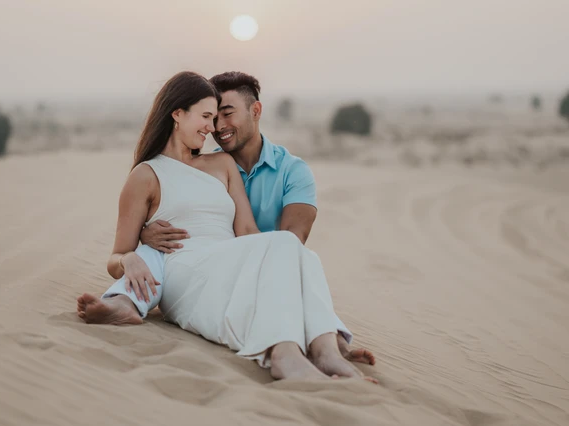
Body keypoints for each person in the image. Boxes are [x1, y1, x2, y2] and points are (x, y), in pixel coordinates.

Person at [77, 71, 377, 382]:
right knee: (286, 247)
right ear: (177, 114)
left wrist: (280, 267)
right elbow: (117, 256)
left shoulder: (222, 164)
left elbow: (248, 232)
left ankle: (325, 350)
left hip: (226, 259)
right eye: (206, 116)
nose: (213, 127)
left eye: (218, 116)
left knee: (298, 251)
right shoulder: (146, 175)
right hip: (184, 270)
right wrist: (130, 257)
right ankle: (286, 356)